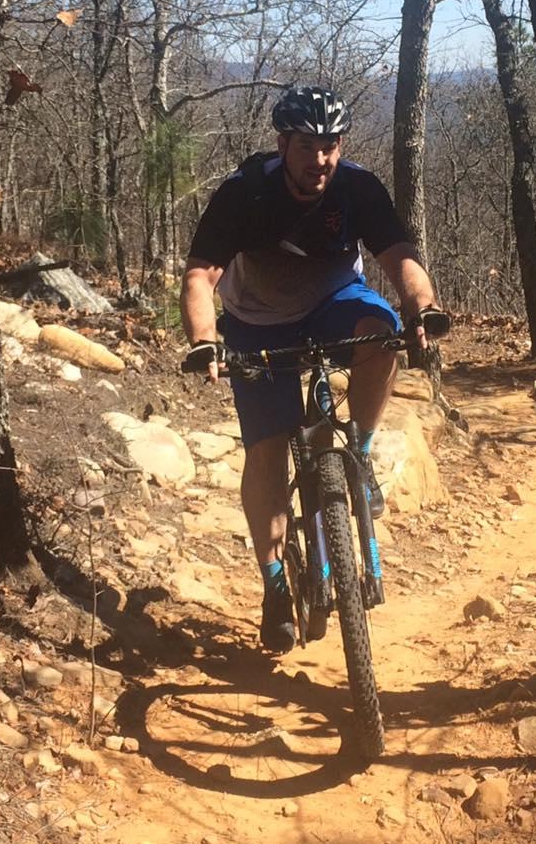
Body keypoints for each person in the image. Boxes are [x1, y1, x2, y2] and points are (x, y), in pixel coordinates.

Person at [181, 85, 438, 653]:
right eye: (307, 146)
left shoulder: (356, 187)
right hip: (257, 322)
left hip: (333, 305)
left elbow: (400, 258)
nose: (321, 159)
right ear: (283, 145)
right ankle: (275, 585)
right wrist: (204, 340)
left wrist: (423, 306)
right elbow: (201, 274)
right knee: (267, 452)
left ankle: (361, 455)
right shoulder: (246, 193)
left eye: (331, 145)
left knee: (381, 334)